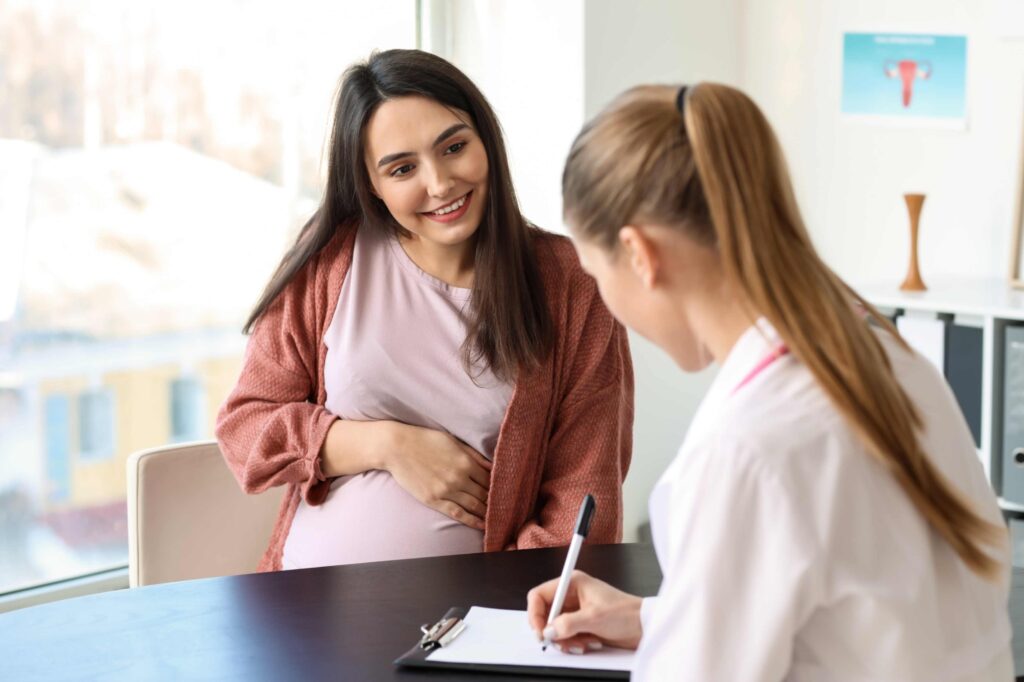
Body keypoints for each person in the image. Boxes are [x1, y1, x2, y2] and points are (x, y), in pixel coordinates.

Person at [526, 83, 1012, 680]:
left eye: (594, 270)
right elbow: (862, 624)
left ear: (639, 254)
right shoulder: (886, 354)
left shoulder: (746, 453)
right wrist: (661, 617)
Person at [215, 49, 633, 572]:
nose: (439, 184)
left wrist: (504, 620)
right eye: (403, 168)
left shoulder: (571, 284)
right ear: (371, 183)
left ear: (486, 139)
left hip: (470, 627)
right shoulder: (331, 259)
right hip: (302, 610)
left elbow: (583, 501)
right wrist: (387, 444)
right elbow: (246, 428)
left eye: (454, 147)